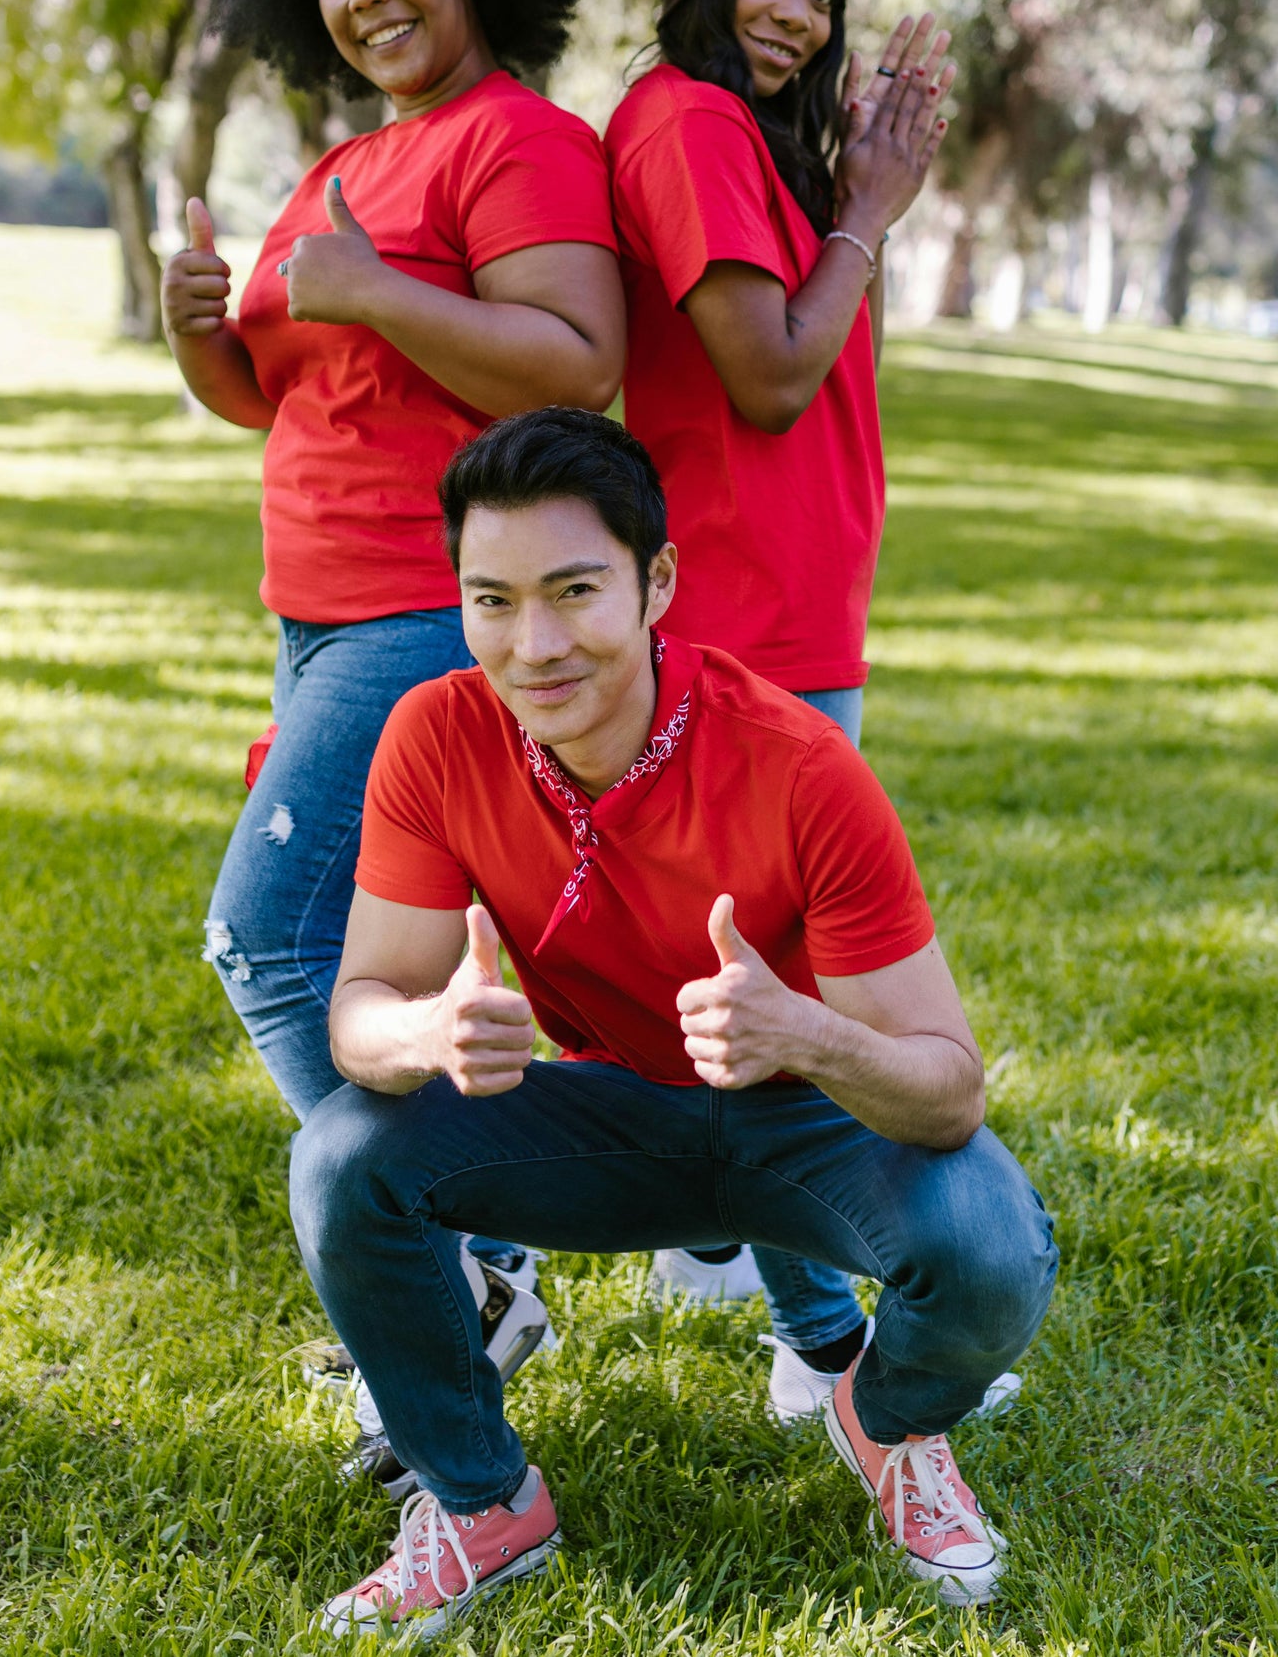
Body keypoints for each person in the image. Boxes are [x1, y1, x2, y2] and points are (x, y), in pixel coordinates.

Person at [290, 408, 1057, 1635]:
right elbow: (359, 1017)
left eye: (573, 591)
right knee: (341, 1154)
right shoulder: (435, 734)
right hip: (604, 1119)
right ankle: (480, 1503)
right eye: (492, 601)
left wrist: (803, 1035)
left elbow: (947, 1091)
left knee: (990, 1245)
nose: (534, 644)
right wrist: (429, 1035)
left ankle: (887, 1424)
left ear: (655, 583)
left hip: (802, 1121)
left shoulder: (798, 765)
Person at [160, 0, 625, 1440]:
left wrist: (377, 291)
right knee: (398, 964)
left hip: (426, 610)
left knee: (267, 936)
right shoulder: (344, 167)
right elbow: (278, 392)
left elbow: (576, 364)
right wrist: (200, 332)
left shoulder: (519, 142)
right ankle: (477, 1250)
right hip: (314, 618)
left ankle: (464, 1261)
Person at [603, 0, 967, 1416]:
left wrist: (854, 187)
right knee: (795, 986)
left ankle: (730, 1258)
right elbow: (766, 374)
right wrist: (870, 208)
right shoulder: (685, 123)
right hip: (747, 621)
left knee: (761, 972)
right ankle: (818, 1344)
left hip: (793, 607)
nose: (798, 16)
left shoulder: (738, 135)